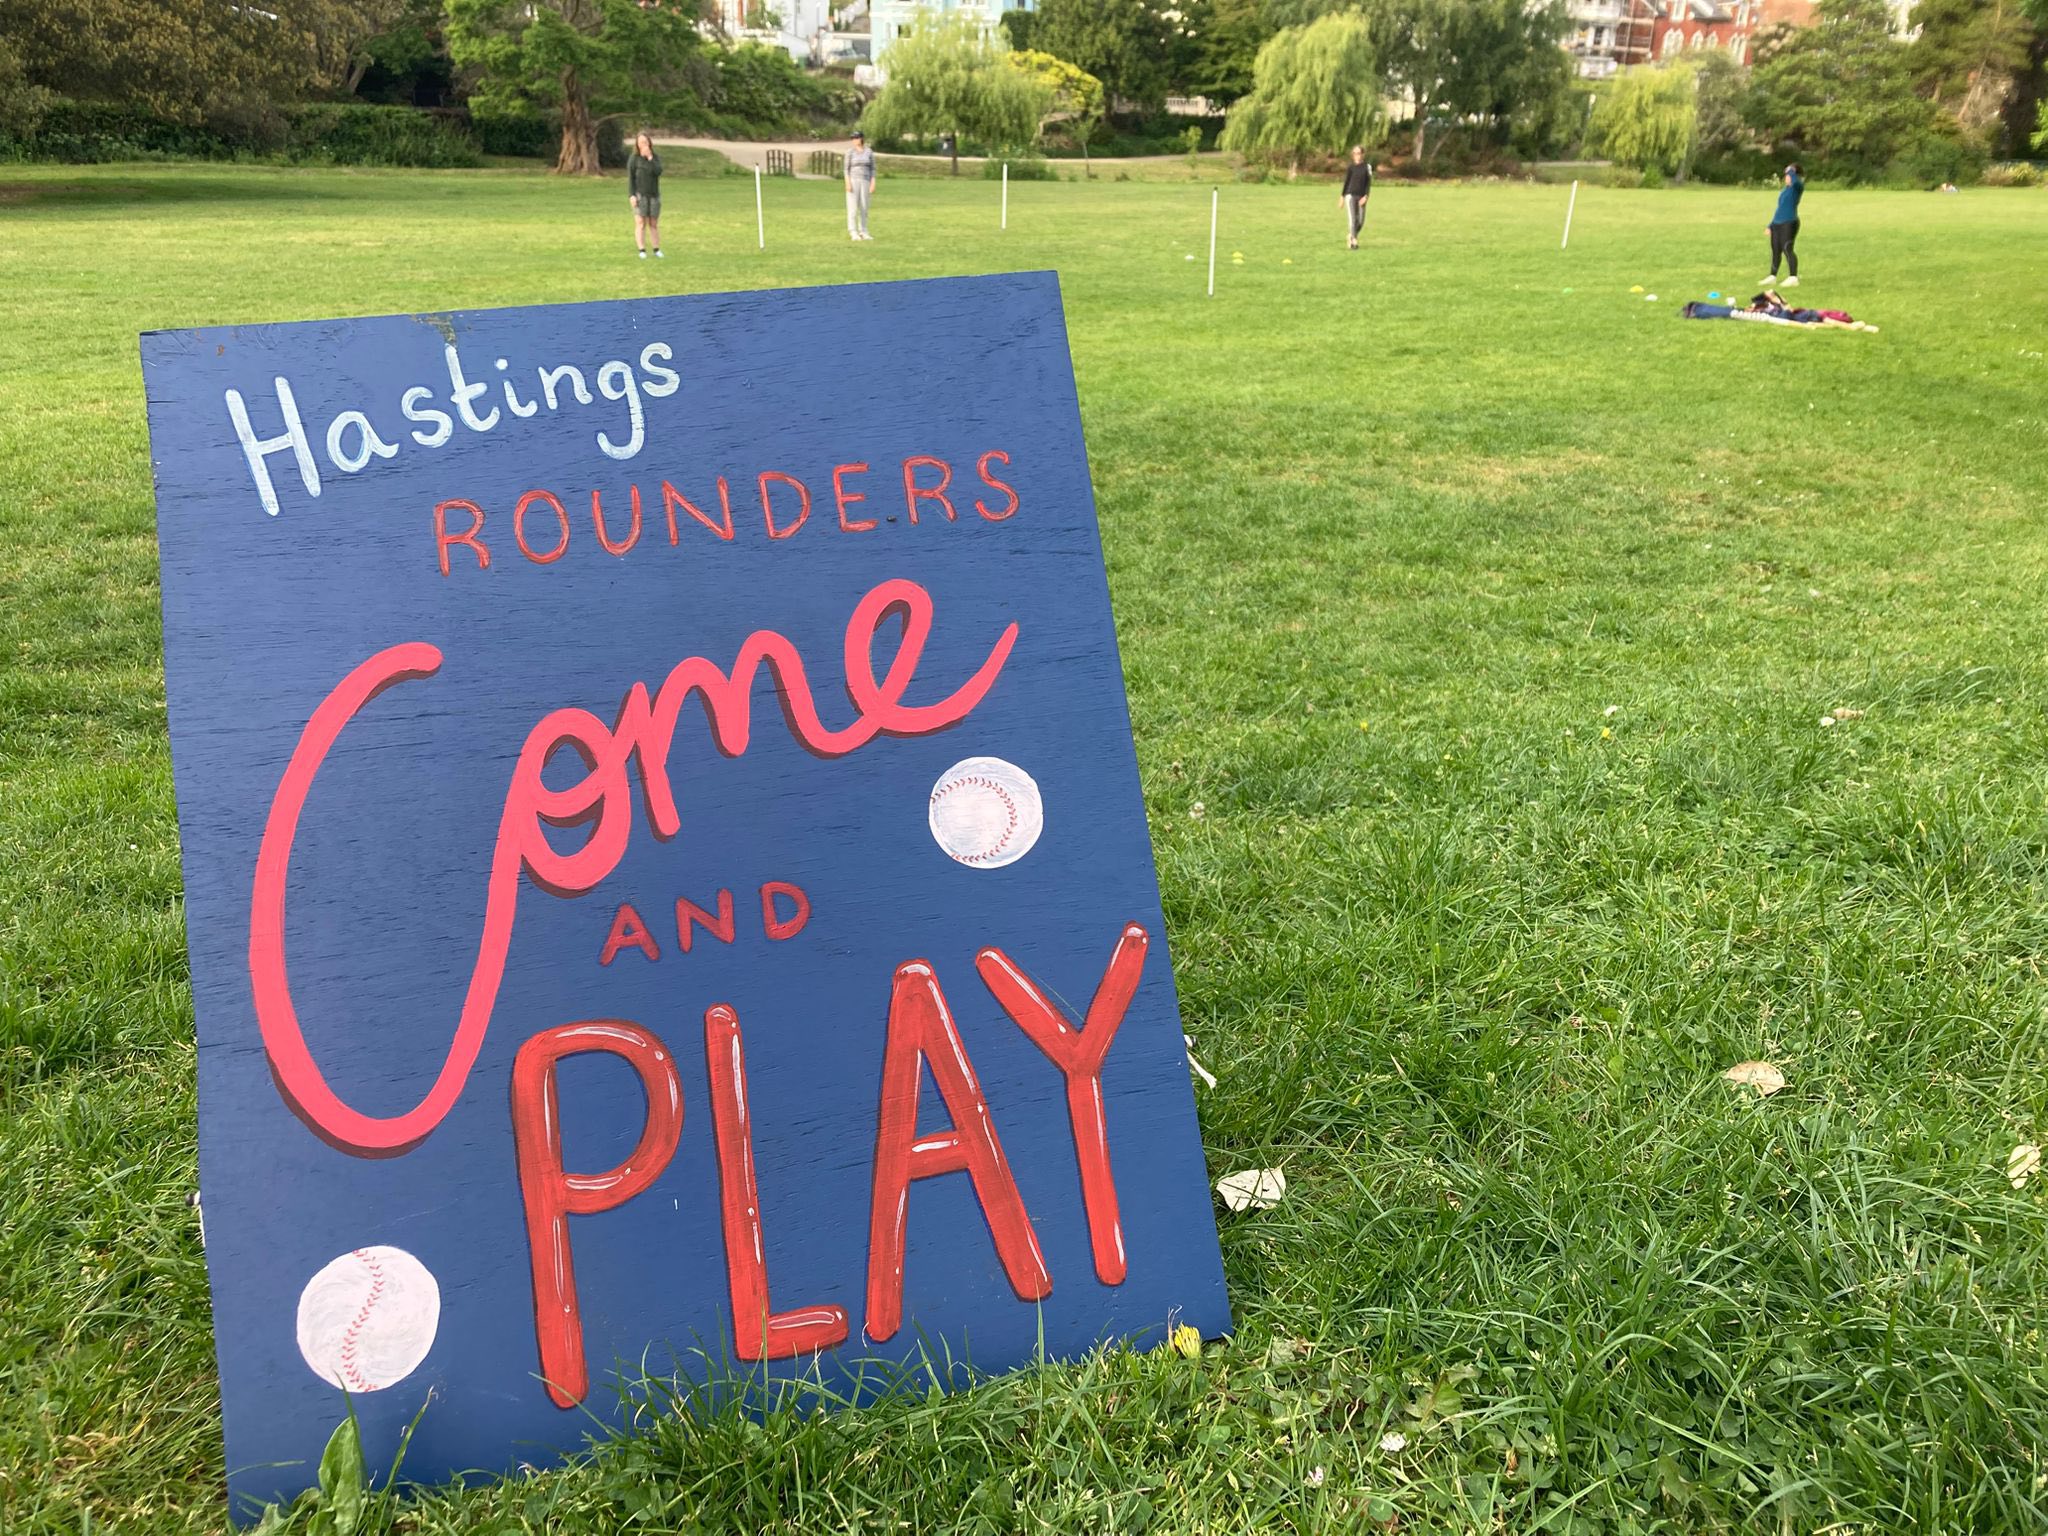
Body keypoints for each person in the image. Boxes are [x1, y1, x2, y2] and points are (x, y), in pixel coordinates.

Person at [1763, 162, 1802, 288]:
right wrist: (1771, 225)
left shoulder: (1797, 187)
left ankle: (1793, 277)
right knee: (1775, 250)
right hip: (1777, 223)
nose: (1786, 178)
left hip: (1789, 222)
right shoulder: (1785, 190)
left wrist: (1791, 170)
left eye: (1788, 176)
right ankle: (1772, 276)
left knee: (1787, 248)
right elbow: (1780, 209)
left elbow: (1795, 181)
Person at [628, 133, 663, 260]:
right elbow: (631, 178)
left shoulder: (655, 158)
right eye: (640, 142)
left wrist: (649, 157)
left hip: (654, 194)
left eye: (645, 141)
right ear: (637, 144)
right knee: (640, 222)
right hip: (639, 195)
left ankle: (656, 249)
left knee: (653, 223)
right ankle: (642, 250)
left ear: (649, 143)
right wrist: (631, 195)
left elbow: (658, 172)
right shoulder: (634, 158)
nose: (643, 144)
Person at [1339, 146, 1373, 250]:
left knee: (1361, 221)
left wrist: (1366, 196)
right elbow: (1346, 182)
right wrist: (1342, 196)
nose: (1357, 155)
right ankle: (1354, 241)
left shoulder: (1367, 167)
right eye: (1355, 153)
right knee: (1353, 219)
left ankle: (1351, 235)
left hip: (1361, 196)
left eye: (1358, 153)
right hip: (1350, 195)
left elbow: (1368, 183)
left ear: (1363, 154)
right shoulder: (1351, 167)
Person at [846, 130, 876, 242]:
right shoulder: (850, 152)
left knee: (864, 207)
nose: (855, 140)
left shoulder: (869, 152)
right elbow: (846, 169)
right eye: (853, 138)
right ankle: (853, 231)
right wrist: (847, 183)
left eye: (856, 137)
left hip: (866, 181)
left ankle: (864, 231)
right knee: (853, 207)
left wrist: (873, 183)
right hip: (853, 181)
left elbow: (873, 168)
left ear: (861, 138)